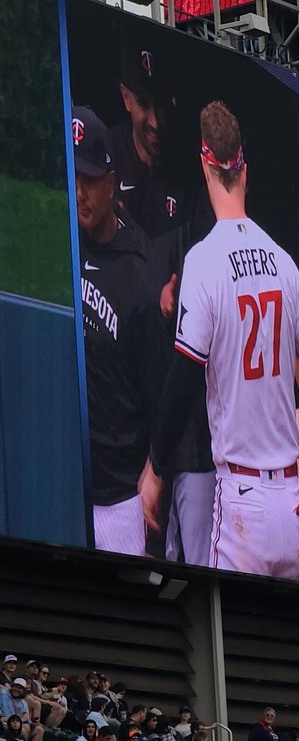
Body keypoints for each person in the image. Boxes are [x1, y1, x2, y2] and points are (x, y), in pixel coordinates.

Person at [147, 100, 299, 579]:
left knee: (231, 643)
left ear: (206, 165)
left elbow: (182, 381)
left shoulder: (204, 260)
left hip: (241, 501)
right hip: (292, 502)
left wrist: (156, 470)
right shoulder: (282, 263)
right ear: (245, 169)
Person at [109, 46, 217, 568]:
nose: (156, 121)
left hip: (181, 396)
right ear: (126, 98)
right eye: (144, 105)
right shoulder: (103, 162)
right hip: (126, 387)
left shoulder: (186, 170)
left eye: (163, 106)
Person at [73, 105, 167, 555]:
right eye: (72, 179)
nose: (79, 194)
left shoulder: (140, 275)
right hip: (63, 484)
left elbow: (161, 398)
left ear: (111, 185)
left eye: (89, 181)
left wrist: (154, 474)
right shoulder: (58, 244)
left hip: (119, 502)